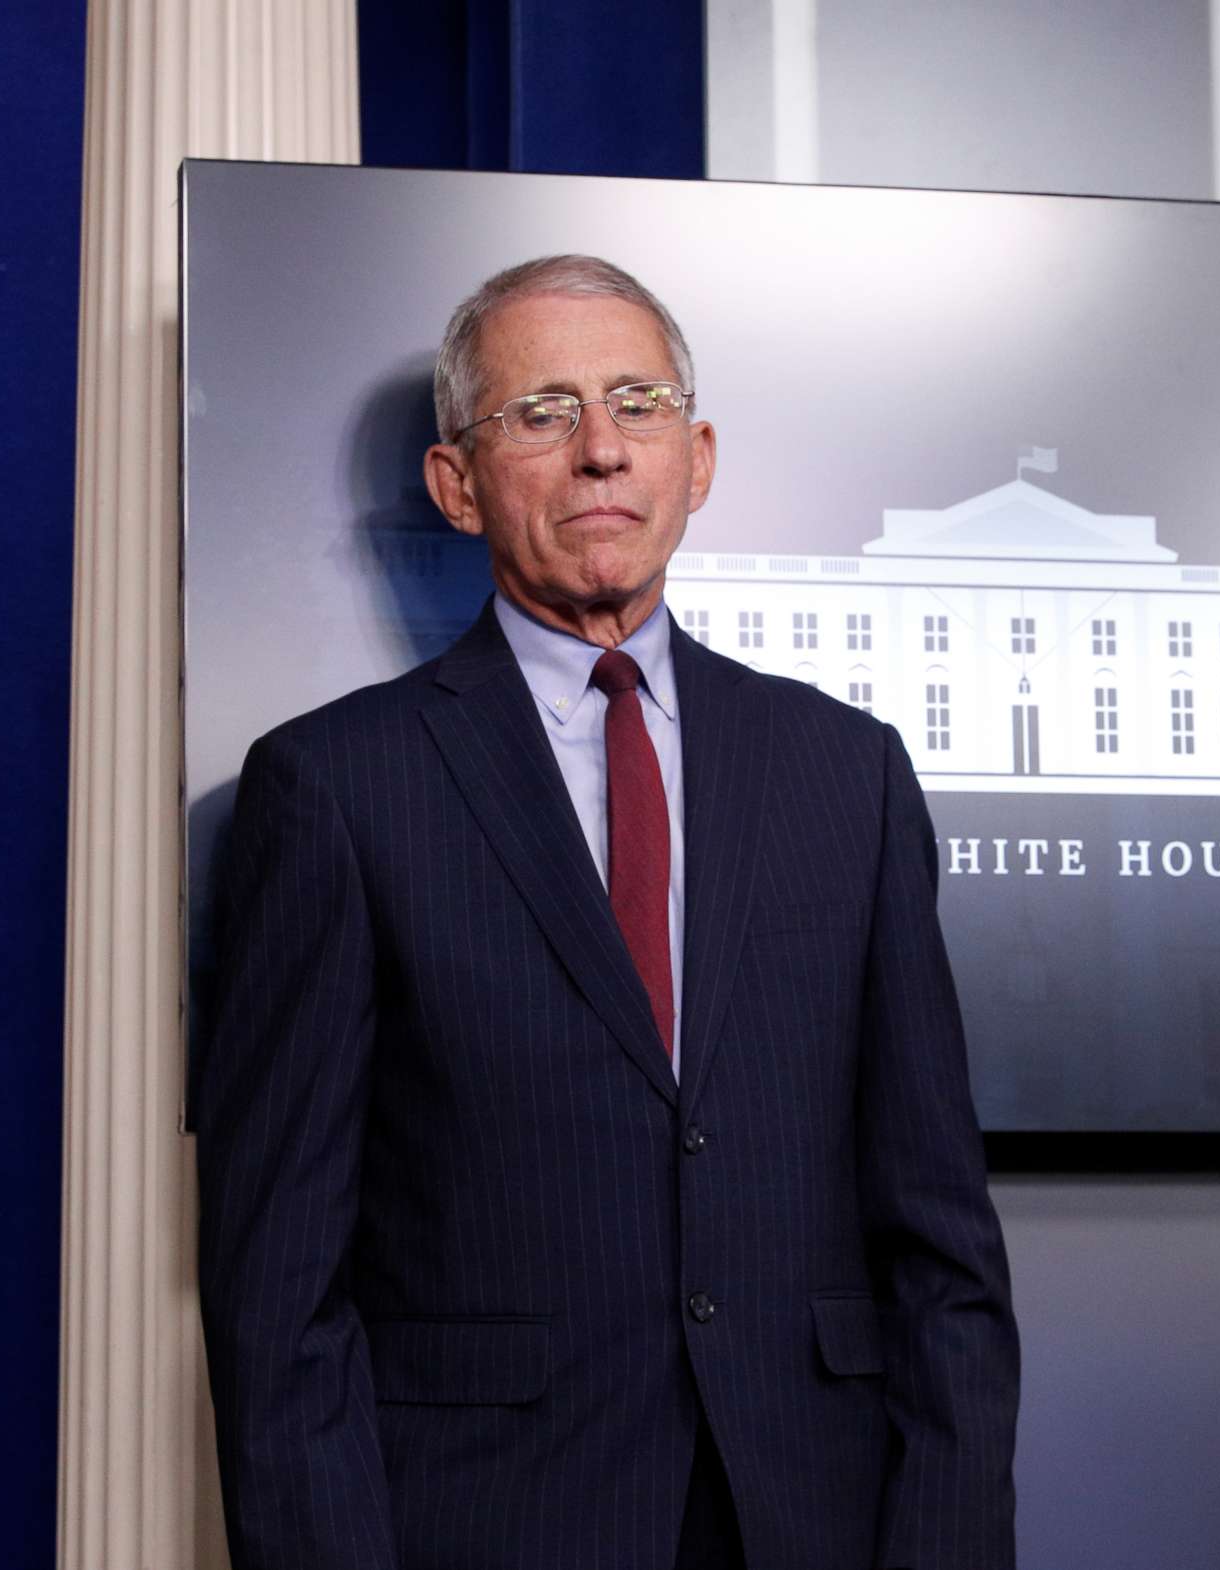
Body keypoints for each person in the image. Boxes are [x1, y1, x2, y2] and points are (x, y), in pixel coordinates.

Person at [196, 254, 1021, 1570]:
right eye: (543, 411)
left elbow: (944, 1249)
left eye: (636, 405)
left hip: (815, 1516)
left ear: (694, 458)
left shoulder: (844, 773)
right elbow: (278, 1290)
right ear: (456, 484)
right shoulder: (336, 790)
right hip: (489, 1521)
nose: (598, 452)